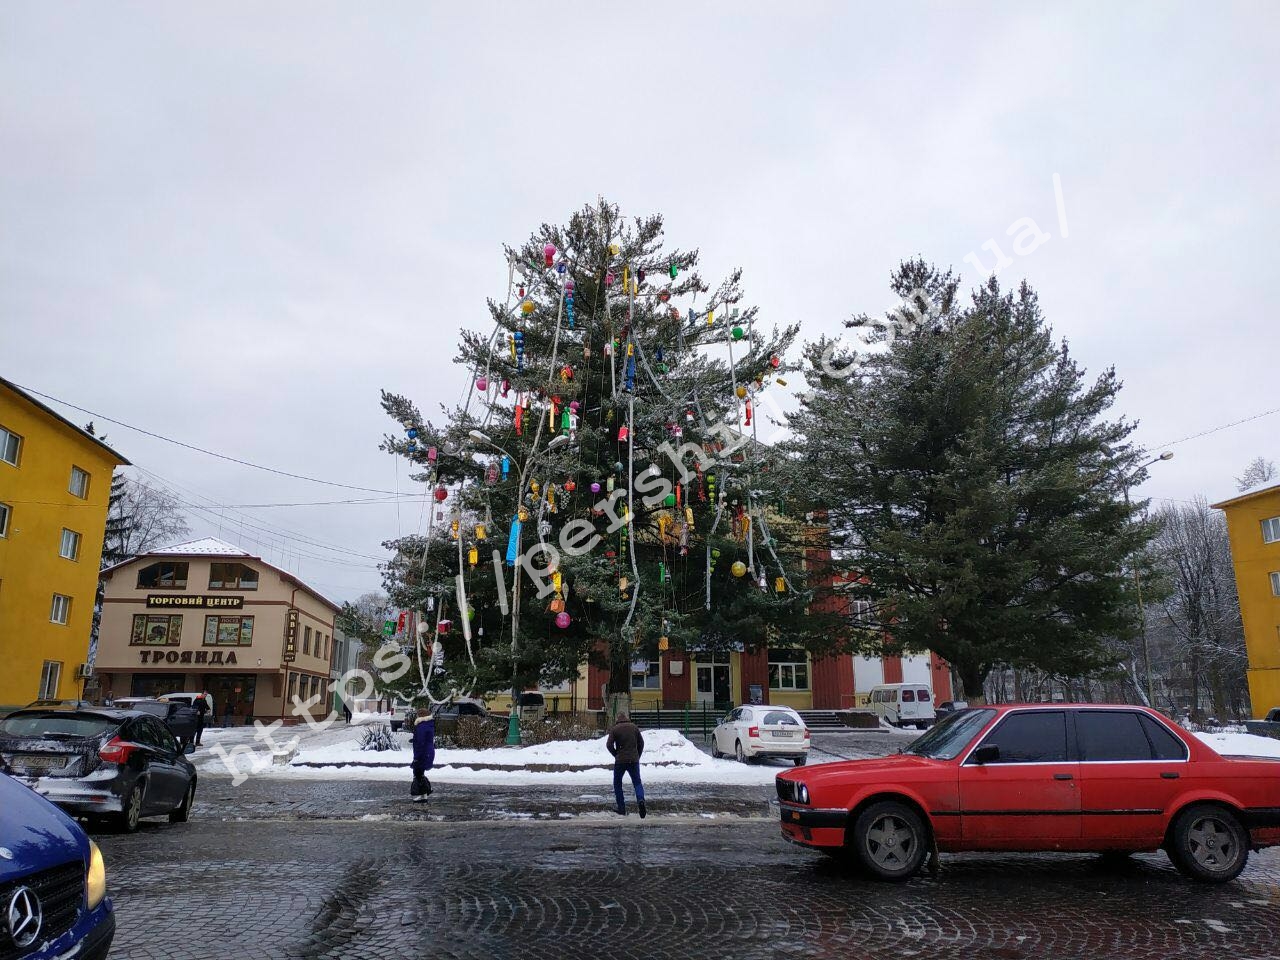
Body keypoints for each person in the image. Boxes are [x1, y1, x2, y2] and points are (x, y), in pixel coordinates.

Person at [606, 711, 646, 818]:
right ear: (627, 718)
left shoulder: (615, 729)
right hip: (633, 760)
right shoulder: (634, 727)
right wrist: (638, 755)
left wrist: (616, 754)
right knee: (637, 782)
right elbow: (641, 743)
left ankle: (621, 808)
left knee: (617, 783)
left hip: (620, 761)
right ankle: (641, 800)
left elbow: (609, 745)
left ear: (618, 720)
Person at [410, 708, 435, 802]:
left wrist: (416, 757)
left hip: (422, 753)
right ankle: (424, 793)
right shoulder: (428, 725)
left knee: (417, 773)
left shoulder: (422, 726)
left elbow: (421, 742)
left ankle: (419, 794)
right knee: (420, 773)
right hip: (428, 752)